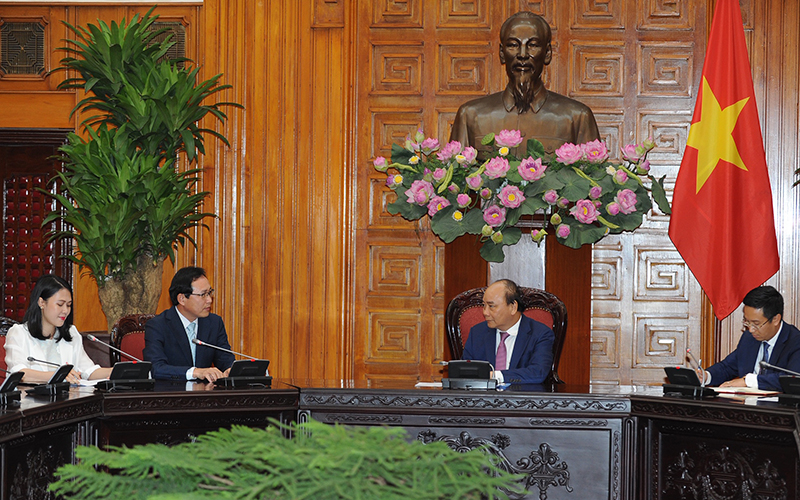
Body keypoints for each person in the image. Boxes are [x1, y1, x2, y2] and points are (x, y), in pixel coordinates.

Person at [450, 11, 600, 155]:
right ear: (502, 53)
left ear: (547, 53)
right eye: (513, 45)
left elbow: (592, 172)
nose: (522, 55)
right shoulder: (471, 115)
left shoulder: (577, 117)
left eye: (533, 45)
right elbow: (455, 170)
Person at [4, 275, 112, 384]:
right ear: (42, 303)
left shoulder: (71, 333)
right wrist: (59, 375)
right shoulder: (19, 333)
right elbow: (19, 374)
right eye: (60, 304)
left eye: (68, 305)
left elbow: (88, 371)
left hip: (66, 395)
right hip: (30, 395)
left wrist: (114, 371)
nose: (65, 311)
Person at [143, 266, 234, 382]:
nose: (209, 300)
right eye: (203, 294)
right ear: (182, 299)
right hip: (171, 390)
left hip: (206, 391)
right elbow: (156, 368)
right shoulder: (158, 325)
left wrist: (230, 369)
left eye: (209, 293)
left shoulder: (214, 323)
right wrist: (195, 372)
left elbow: (225, 359)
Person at [701, 286, 800, 391]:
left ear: (775, 319)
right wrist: (706, 376)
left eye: (756, 324)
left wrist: (748, 381)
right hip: (746, 401)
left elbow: (792, 379)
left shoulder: (795, 341)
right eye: (747, 322)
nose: (751, 329)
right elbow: (727, 367)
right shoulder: (749, 338)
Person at [462, 279, 554, 383]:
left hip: (521, 393)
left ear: (513, 307)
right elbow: (465, 372)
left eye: (491, 306)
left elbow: (538, 373)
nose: (485, 312)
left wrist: (494, 376)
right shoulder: (477, 333)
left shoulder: (540, 334)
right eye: (484, 305)